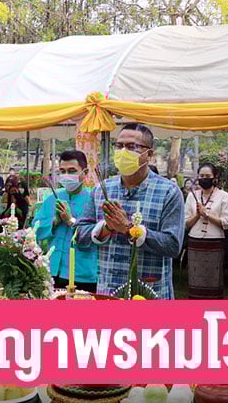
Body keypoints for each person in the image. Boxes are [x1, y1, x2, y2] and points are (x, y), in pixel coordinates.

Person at [76, 123, 184, 299]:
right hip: (108, 292)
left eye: (132, 147)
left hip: (150, 294)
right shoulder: (100, 190)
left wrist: (129, 229)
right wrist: (107, 228)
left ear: (149, 154)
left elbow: (172, 245)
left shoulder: (169, 192)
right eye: (119, 146)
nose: (123, 152)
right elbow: (80, 236)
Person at [34, 150, 99, 293]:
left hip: (82, 273)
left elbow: (98, 235)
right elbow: (35, 230)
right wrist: (54, 222)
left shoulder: (93, 200)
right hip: (53, 271)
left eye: (72, 171)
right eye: (62, 171)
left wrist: (71, 220)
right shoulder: (52, 199)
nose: (66, 175)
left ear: (85, 172)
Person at [184, 162, 228, 299]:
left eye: (207, 176)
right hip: (195, 242)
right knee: (195, 278)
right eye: (201, 176)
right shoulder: (192, 196)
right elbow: (186, 223)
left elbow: (226, 223)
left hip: (214, 242)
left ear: (214, 177)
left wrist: (207, 214)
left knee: (213, 279)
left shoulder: (224, 196)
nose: (204, 178)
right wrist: (197, 215)